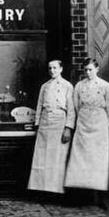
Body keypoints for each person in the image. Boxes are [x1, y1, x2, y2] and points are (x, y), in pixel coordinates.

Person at [64, 58, 109, 207]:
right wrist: (82, 120)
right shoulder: (79, 86)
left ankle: (100, 198)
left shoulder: (105, 86)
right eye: (86, 70)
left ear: (97, 69)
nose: (88, 72)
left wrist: (103, 126)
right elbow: (76, 106)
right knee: (80, 160)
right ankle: (82, 198)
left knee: (98, 161)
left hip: (99, 126)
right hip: (83, 125)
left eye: (90, 70)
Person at [27, 59, 75, 196]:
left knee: (57, 157)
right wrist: (37, 125)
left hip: (59, 122)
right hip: (45, 122)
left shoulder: (67, 86)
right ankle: (42, 191)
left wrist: (68, 128)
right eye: (50, 68)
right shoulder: (45, 86)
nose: (52, 71)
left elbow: (71, 109)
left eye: (55, 68)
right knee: (42, 157)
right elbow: (39, 105)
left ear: (61, 69)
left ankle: (57, 192)